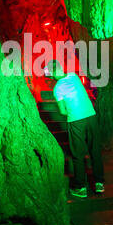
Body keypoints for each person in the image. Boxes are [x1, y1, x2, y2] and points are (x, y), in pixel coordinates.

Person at [45, 59, 104, 198]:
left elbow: (62, 111)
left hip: (76, 121)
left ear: (52, 75)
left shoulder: (57, 88)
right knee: (95, 150)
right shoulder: (74, 76)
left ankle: (81, 187)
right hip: (91, 116)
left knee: (78, 154)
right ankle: (99, 183)